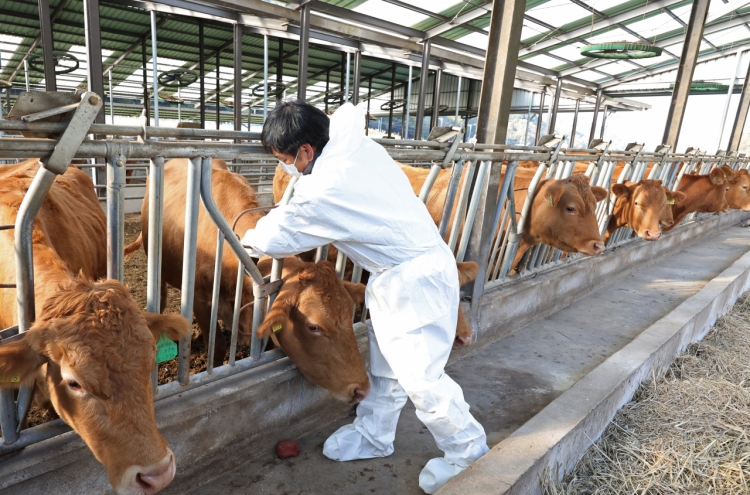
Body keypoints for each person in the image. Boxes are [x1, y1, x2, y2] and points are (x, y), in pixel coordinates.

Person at [242, 100, 488, 494]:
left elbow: (274, 239)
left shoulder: (327, 186)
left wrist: (248, 237)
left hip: (413, 281)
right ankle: (374, 434)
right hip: (399, 275)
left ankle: (469, 452)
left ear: (306, 151)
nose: (286, 169)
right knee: (386, 368)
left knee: (421, 379)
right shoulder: (355, 146)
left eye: (285, 159)